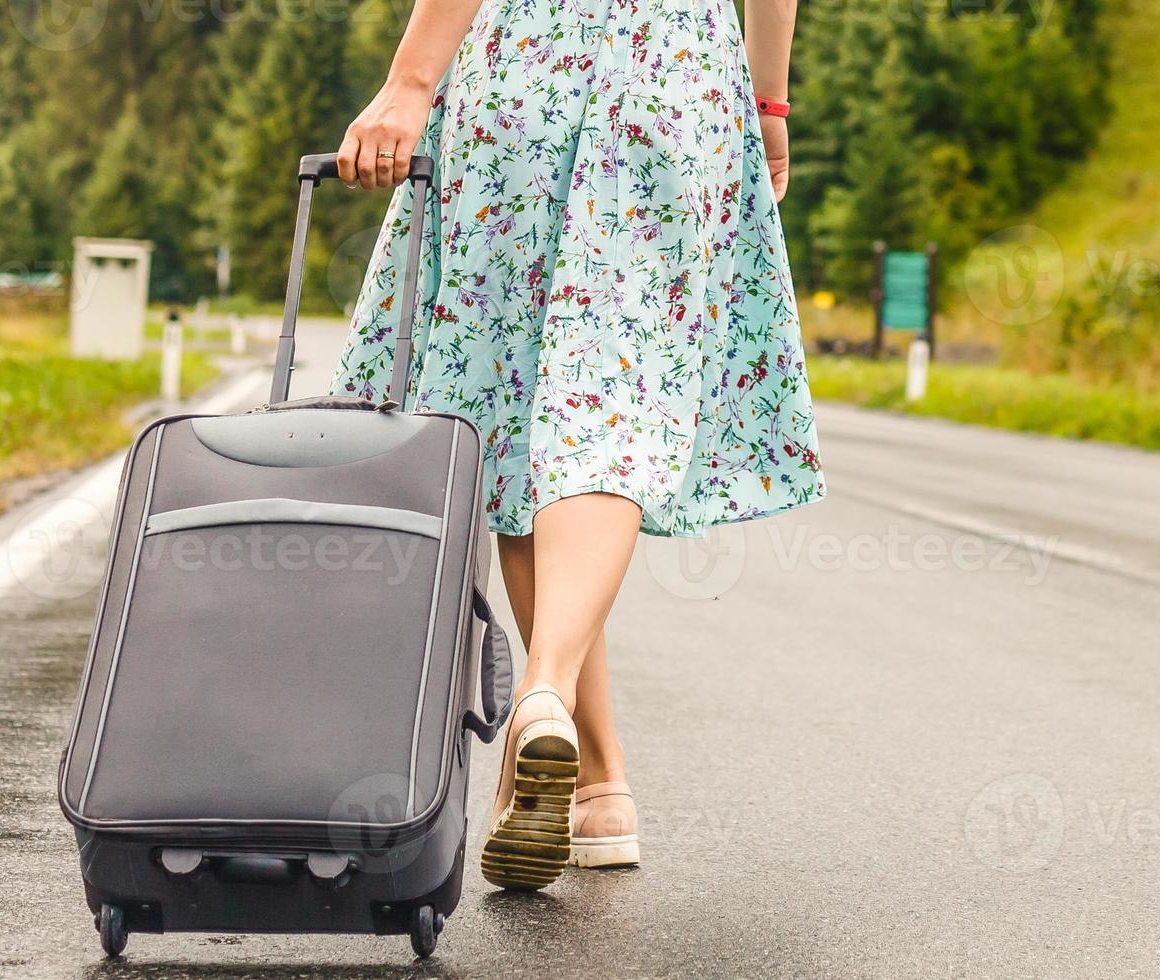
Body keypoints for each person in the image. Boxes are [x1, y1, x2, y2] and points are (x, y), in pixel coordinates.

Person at [331, 0, 819, 890]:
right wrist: (765, 103)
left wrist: (408, 84)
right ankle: (589, 768)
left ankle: (556, 710)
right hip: (679, 76)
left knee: (514, 414)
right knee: (612, 404)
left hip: (524, 68)